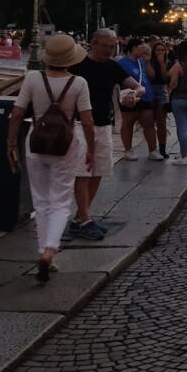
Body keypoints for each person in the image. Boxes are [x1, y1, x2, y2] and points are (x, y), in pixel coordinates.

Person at [6, 34, 94, 283]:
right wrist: (91, 149)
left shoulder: (33, 78)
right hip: (66, 144)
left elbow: (17, 114)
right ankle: (50, 250)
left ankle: (42, 250)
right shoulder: (79, 83)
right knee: (61, 200)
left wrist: (11, 143)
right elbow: (87, 121)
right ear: (71, 59)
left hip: (35, 143)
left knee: (41, 201)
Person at [69, 29, 143, 240]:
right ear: (94, 43)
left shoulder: (112, 66)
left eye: (112, 47)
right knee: (83, 172)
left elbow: (139, 87)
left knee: (98, 171)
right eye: (105, 46)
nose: (109, 50)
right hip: (79, 124)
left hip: (103, 125)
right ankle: (85, 220)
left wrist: (133, 95)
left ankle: (81, 217)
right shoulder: (78, 66)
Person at [117, 39, 161, 161]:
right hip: (130, 96)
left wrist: (147, 62)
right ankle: (128, 149)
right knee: (128, 123)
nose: (144, 50)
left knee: (149, 123)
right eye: (141, 47)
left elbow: (152, 75)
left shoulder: (143, 61)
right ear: (133, 48)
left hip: (146, 96)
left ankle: (153, 150)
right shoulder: (122, 62)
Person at [147, 40, 172, 158]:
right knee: (149, 122)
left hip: (162, 91)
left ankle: (162, 149)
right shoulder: (150, 62)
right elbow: (151, 76)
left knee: (162, 123)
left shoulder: (168, 62)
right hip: (150, 90)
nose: (160, 52)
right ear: (153, 51)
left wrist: (162, 64)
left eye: (163, 50)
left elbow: (165, 78)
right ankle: (152, 148)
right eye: (158, 50)